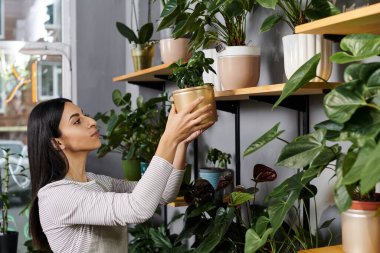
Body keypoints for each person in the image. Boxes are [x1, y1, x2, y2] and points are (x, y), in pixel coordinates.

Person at [27, 97, 214, 253]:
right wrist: (168, 138)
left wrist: (180, 143)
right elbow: (138, 208)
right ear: (56, 143)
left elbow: (165, 194)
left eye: (85, 115)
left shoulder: (98, 182)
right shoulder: (55, 196)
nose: (91, 121)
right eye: (77, 121)